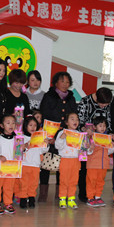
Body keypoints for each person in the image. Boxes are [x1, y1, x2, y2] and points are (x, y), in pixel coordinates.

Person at [38, 71, 78, 201]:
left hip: (65, 136)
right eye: (62, 81)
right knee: (46, 163)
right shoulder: (48, 96)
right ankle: (43, 194)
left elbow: (74, 116)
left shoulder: (71, 98)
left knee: (62, 165)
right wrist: (50, 134)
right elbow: (44, 114)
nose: (65, 84)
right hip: (50, 134)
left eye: (67, 82)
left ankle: (59, 194)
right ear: (56, 82)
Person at [77, 87, 114, 202]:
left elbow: (109, 121)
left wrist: (110, 134)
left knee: (98, 173)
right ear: (97, 97)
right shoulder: (85, 102)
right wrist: (84, 129)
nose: (103, 106)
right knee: (85, 169)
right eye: (102, 104)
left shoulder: (107, 104)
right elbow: (78, 121)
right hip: (86, 139)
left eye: (106, 104)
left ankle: (95, 195)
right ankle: (85, 194)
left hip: (101, 140)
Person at [0, 114, 21, 215]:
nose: (11, 125)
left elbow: (19, 154)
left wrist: (23, 149)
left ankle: (8, 203)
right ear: (2, 125)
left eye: (13, 123)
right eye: (8, 123)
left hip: (11, 167)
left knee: (9, 187)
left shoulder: (17, 139)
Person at [18, 116, 48, 208]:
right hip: (24, 164)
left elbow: (43, 150)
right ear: (25, 126)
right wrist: (25, 146)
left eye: (35, 125)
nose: (33, 127)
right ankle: (23, 198)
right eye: (30, 125)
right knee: (23, 183)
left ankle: (31, 198)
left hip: (35, 164)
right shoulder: (22, 137)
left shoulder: (39, 137)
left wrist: (46, 144)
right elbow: (18, 151)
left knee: (34, 183)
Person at [85, 116, 114, 208]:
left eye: (104, 126)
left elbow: (109, 152)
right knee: (91, 181)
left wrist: (112, 146)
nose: (103, 128)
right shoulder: (91, 137)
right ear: (94, 127)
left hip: (103, 165)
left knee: (100, 181)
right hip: (93, 165)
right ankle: (90, 198)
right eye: (100, 126)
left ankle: (98, 197)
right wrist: (90, 148)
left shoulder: (107, 138)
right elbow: (87, 152)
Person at [55, 112, 82, 210]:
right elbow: (57, 146)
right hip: (65, 160)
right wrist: (61, 139)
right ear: (66, 122)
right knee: (64, 180)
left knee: (73, 181)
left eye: (77, 119)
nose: (75, 121)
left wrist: (86, 146)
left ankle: (71, 199)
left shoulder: (79, 134)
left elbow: (82, 149)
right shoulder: (62, 132)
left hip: (75, 160)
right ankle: (62, 199)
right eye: (72, 119)